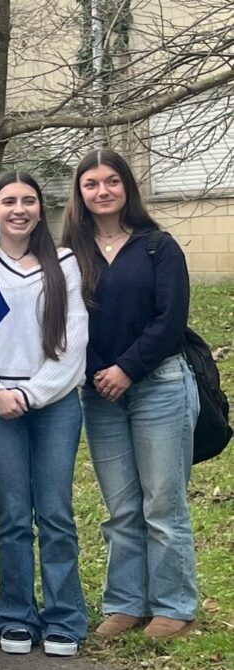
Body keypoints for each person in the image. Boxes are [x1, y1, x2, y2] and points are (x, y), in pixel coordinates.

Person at [64, 149, 200, 642]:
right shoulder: (69, 254)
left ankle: (174, 605)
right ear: (80, 193)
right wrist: (99, 371)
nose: (102, 191)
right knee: (121, 506)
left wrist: (127, 369)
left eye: (112, 182)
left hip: (159, 385)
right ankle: (125, 603)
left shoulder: (157, 247)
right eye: (91, 184)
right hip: (100, 393)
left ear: (127, 187)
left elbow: (171, 320)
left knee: (162, 503)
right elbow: (65, 323)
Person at [0, 171, 89, 656]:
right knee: (13, 513)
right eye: (8, 201)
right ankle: (15, 615)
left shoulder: (65, 263)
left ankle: (64, 617)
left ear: (40, 210)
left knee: (55, 512)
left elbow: (74, 339)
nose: (19, 209)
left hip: (55, 403)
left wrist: (34, 393)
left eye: (29, 201)